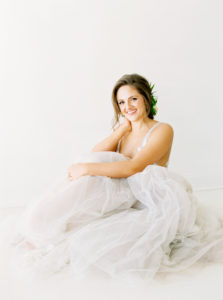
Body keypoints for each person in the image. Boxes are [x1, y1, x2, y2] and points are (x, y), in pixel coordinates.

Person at [2, 73, 223, 282]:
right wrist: (119, 131)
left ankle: (47, 228)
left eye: (133, 99)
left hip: (148, 197)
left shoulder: (162, 130)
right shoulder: (124, 131)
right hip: (122, 192)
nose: (128, 107)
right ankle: (46, 225)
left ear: (146, 99)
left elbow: (133, 168)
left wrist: (86, 169)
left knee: (90, 174)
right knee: (90, 170)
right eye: (122, 103)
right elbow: (93, 156)